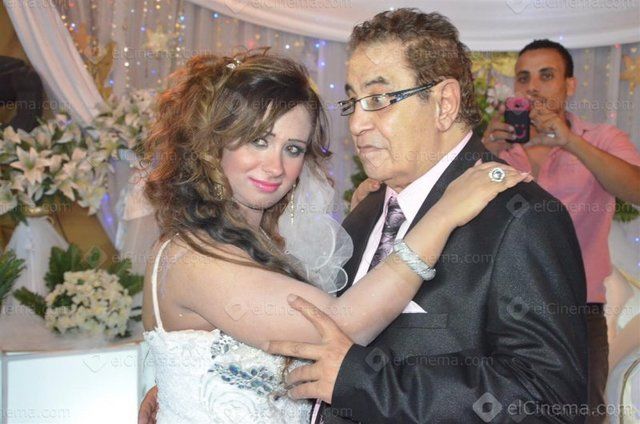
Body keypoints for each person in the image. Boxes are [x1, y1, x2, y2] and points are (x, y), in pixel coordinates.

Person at [137, 50, 528, 423]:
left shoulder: (258, 245)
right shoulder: (195, 257)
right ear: (212, 142)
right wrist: (443, 215)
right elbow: (342, 325)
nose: (275, 166)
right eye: (259, 140)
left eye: (293, 148)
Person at [265, 9, 590, 423]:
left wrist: (363, 380)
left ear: (444, 104)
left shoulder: (519, 217)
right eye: (353, 101)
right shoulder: (365, 211)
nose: (357, 123)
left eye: (379, 99)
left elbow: (549, 400)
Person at [482, 39, 640, 423]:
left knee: (583, 415)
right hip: (501, 312)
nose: (533, 87)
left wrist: (571, 142)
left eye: (546, 75)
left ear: (570, 85)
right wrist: (482, 151)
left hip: (576, 311)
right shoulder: (498, 146)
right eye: (524, 78)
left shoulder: (600, 139)